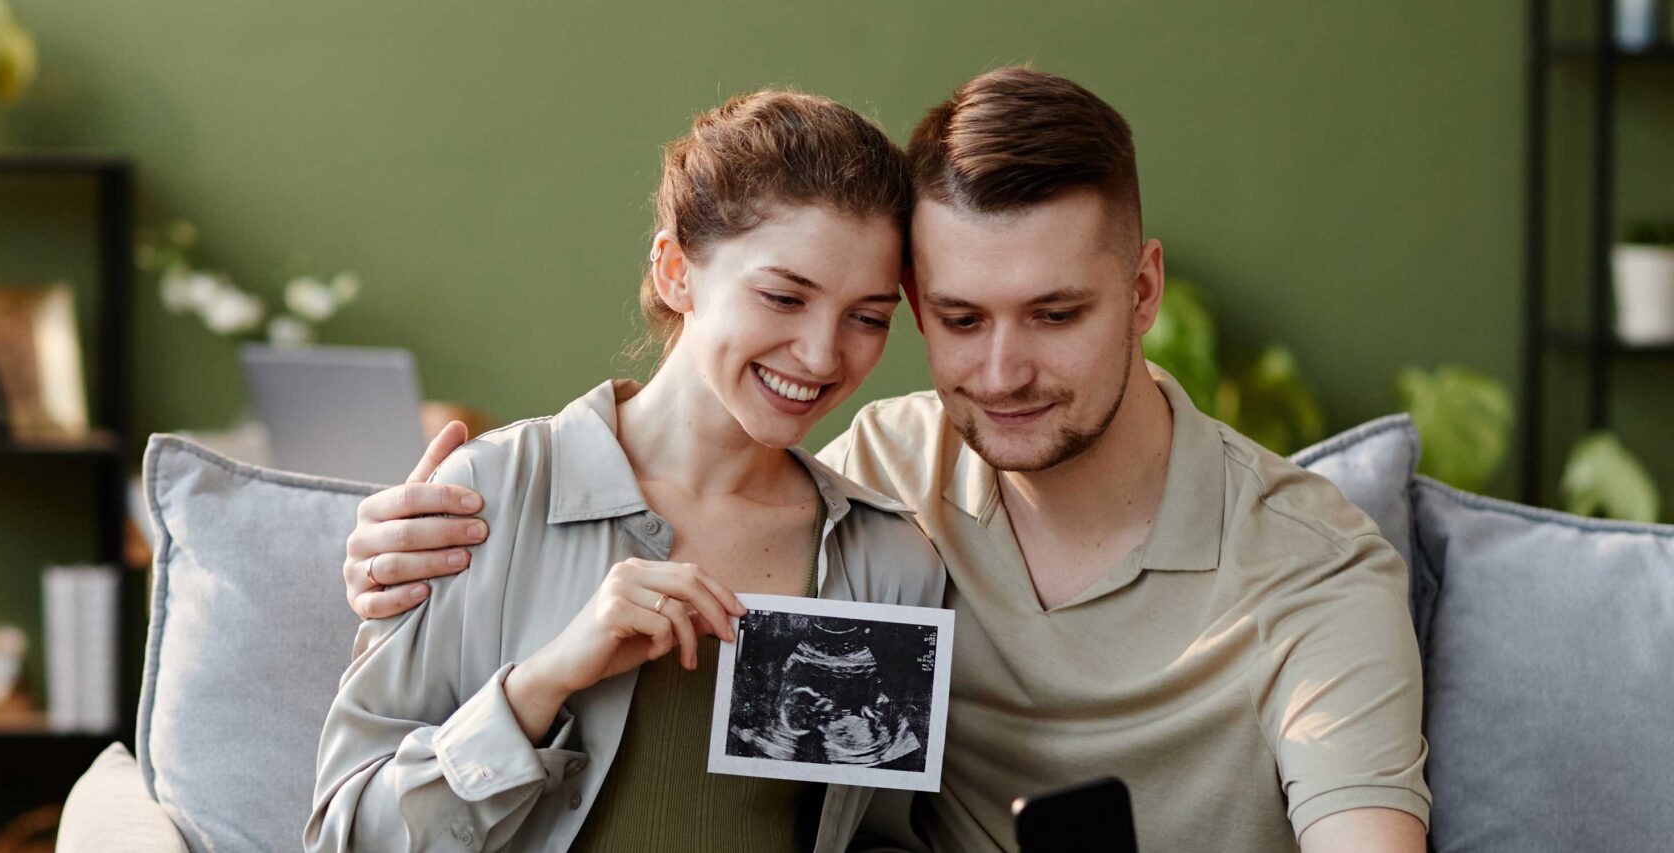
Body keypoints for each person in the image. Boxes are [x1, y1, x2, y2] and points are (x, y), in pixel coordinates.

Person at [337, 67, 1431, 852]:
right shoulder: (886, 485)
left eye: (1054, 313)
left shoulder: (1307, 563)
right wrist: (398, 561)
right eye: (957, 318)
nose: (1001, 373)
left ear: (1142, 292)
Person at [306, 89, 947, 853]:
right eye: (783, 296)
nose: (821, 353)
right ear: (677, 270)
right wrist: (539, 685)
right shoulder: (485, 501)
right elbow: (347, 837)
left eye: (868, 316)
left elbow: (882, 835)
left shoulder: (890, 562)